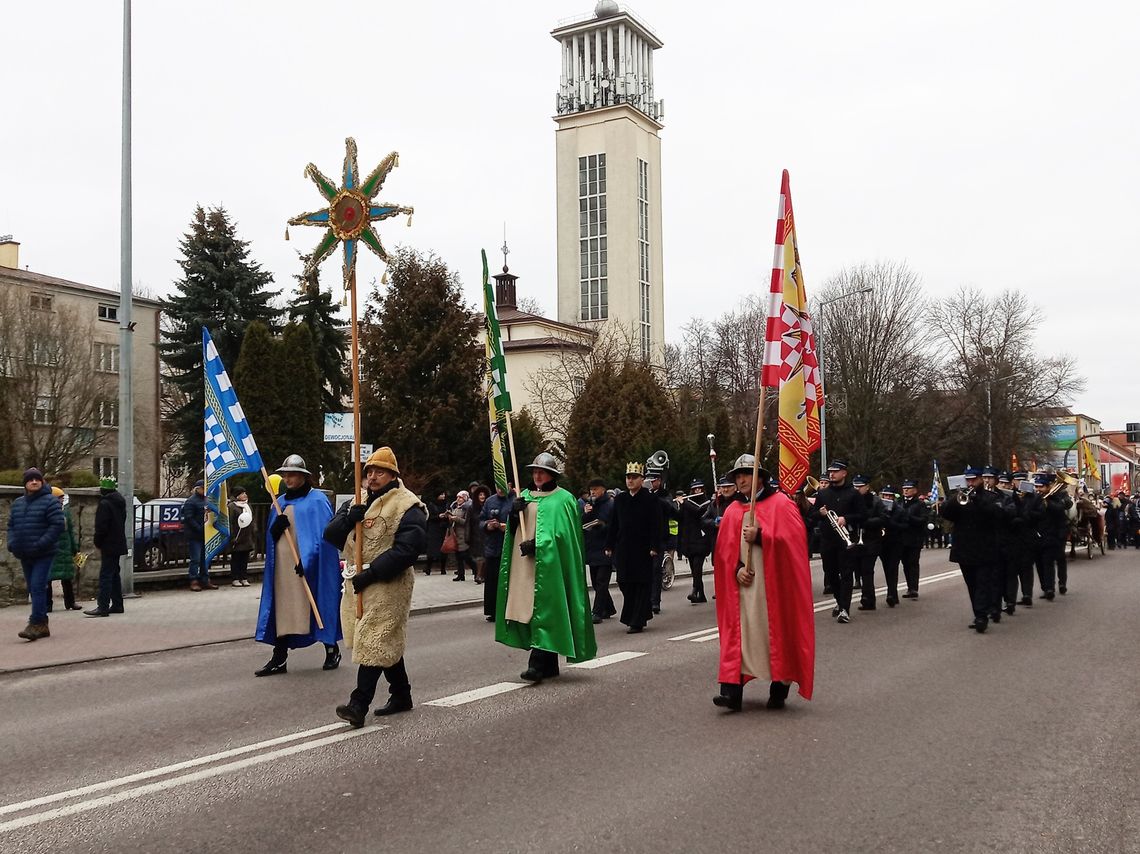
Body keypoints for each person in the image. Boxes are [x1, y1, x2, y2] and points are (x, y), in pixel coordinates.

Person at [326, 447, 427, 727]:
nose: (372, 477)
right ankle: (401, 694)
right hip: (359, 582)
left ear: (393, 475)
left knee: (374, 638)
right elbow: (331, 535)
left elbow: (409, 549)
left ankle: (358, 705)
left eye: (379, 472)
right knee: (383, 640)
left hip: (389, 583)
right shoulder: (358, 501)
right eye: (369, 471)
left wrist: (372, 575)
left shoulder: (408, 505)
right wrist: (349, 518)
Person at [712, 454, 814, 712]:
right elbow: (724, 554)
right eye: (738, 475)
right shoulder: (733, 510)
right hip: (744, 591)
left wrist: (762, 537)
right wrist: (736, 570)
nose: (741, 479)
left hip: (774, 589)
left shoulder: (782, 504)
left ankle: (779, 689)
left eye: (746, 474)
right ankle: (731, 693)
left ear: (761, 477)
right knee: (740, 636)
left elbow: (795, 545)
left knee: (777, 634)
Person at [497, 453, 597, 680]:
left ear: (551, 474)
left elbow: (565, 537)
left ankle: (538, 664)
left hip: (552, 567)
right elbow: (514, 532)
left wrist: (539, 545)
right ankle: (549, 664)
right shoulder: (524, 496)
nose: (537, 475)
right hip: (527, 568)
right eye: (534, 472)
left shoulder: (564, 500)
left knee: (547, 610)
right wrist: (513, 514)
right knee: (530, 610)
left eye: (541, 472)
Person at [254, 455, 343, 676]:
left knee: (318, 604)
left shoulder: (317, 501)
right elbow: (271, 538)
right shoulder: (280, 502)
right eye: (285, 474)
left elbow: (324, 536)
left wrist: (309, 560)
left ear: (303, 476)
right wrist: (275, 528)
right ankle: (279, 656)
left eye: (292, 474)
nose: (287, 478)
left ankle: (331, 648)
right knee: (283, 608)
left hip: (310, 565)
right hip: (283, 568)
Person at [941, 466, 1004, 633]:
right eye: (967, 480)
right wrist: (954, 499)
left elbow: (996, 514)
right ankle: (978, 613)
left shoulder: (990, 497)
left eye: (973, 480)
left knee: (983, 583)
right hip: (964, 548)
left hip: (985, 548)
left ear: (981, 480)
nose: (970, 483)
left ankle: (981, 616)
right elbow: (946, 514)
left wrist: (978, 500)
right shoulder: (960, 498)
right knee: (972, 585)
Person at [606, 462, 663, 633]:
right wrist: (609, 544)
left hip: (643, 548)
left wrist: (654, 545)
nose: (630, 480)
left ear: (642, 479)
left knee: (640, 583)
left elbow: (656, 524)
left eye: (633, 477)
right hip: (624, 548)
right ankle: (639, 613)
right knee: (624, 582)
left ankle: (636, 620)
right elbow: (613, 523)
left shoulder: (650, 499)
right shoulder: (621, 499)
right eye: (628, 477)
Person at [8, 468, 65, 640]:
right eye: (30, 479)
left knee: (38, 586)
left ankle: (36, 623)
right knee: (34, 588)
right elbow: (11, 525)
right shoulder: (18, 503)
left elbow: (57, 526)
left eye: (37, 479)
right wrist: (12, 543)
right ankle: (43, 623)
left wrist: (40, 544)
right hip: (24, 553)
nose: (34, 482)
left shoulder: (50, 501)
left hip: (43, 553)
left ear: (42, 482)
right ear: (25, 483)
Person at [812, 460, 860, 623]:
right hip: (828, 540)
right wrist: (820, 513)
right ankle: (840, 603)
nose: (831, 474)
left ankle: (845, 609)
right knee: (831, 573)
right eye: (830, 471)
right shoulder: (823, 494)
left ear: (844, 473)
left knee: (846, 574)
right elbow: (813, 515)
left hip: (846, 540)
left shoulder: (853, 493)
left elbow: (863, 515)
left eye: (835, 471)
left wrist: (846, 518)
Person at [86, 476, 128, 617]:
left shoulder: (104, 504)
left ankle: (102, 606)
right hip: (118, 542)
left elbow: (101, 527)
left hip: (108, 544)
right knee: (114, 574)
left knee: (105, 576)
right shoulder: (120, 502)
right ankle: (117, 604)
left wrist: (97, 542)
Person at [580, 478, 616, 624]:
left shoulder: (611, 505)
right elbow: (582, 524)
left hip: (605, 548)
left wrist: (604, 527)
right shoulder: (590, 505)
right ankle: (610, 607)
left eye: (595, 489)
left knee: (601, 582)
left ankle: (597, 612)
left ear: (603, 489)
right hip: (592, 547)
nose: (592, 492)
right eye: (591, 490)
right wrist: (585, 514)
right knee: (595, 582)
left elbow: (615, 526)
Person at [1033, 472, 1072, 600]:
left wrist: (1048, 503)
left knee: (1056, 559)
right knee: (1040, 563)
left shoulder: (1059, 495)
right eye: (1037, 487)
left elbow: (1063, 506)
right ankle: (1046, 588)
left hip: (1056, 533)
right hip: (1040, 534)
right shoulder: (1035, 498)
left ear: (1049, 486)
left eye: (1041, 487)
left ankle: (1059, 584)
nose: (1038, 490)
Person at [851, 475, 886, 610]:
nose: (857, 489)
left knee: (867, 570)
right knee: (856, 570)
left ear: (867, 486)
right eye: (855, 486)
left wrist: (867, 523)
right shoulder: (851, 501)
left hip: (871, 540)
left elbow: (883, 518)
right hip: (855, 539)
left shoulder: (876, 501)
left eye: (860, 486)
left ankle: (868, 599)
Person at [480, 481, 514, 622]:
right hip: (492, 548)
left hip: (509, 548)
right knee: (492, 581)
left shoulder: (515, 500)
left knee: (509, 582)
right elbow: (481, 520)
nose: (499, 489)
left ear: (510, 485)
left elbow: (522, 522)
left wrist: (507, 527)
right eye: (497, 486)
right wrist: (488, 526)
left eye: (503, 486)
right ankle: (493, 611)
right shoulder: (490, 501)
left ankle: (510, 610)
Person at [646, 468, 678, 615]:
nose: (650, 483)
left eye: (653, 480)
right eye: (648, 480)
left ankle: (655, 601)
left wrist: (656, 500)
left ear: (658, 481)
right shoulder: (642, 495)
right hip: (644, 538)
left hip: (659, 538)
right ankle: (646, 600)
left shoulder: (664, 496)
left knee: (655, 569)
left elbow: (673, 511)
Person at [46, 486, 82, 612]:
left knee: (67, 578)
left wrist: (74, 548)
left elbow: (70, 532)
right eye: (59, 498)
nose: (62, 500)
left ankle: (70, 602)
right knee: (48, 579)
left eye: (62, 498)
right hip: (52, 549)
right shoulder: (47, 512)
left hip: (65, 549)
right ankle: (47, 604)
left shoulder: (65, 512)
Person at [677, 478, 711, 604]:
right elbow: (680, 518)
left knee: (697, 567)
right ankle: (701, 594)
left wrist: (684, 503)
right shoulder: (687, 502)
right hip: (689, 540)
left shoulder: (706, 503)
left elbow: (698, 512)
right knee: (694, 569)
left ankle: (694, 590)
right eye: (695, 489)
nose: (697, 491)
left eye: (699, 488)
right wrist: (677, 506)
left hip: (701, 540)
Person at [896, 479, 930, 598]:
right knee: (905, 563)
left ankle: (914, 588)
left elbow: (923, 520)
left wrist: (909, 517)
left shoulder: (920, 504)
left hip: (915, 538)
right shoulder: (899, 502)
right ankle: (909, 587)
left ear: (915, 490)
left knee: (913, 563)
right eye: (904, 488)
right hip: (901, 538)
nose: (905, 490)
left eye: (908, 488)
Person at [183, 480, 213, 591]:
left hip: (206, 534)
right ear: (198, 489)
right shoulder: (191, 502)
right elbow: (189, 518)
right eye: (203, 488)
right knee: (195, 559)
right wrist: (199, 528)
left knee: (205, 559)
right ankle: (193, 580)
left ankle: (205, 579)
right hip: (195, 535)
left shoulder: (207, 500)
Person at [227, 485, 257, 587]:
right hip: (237, 535)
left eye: (245, 493)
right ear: (237, 495)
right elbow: (230, 522)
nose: (245, 495)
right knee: (236, 558)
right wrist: (232, 536)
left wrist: (254, 531)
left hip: (247, 536)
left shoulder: (247, 505)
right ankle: (235, 578)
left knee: (245, 558)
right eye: (242, 493)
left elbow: (252, 519)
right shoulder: (232, 506)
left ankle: (244, 577)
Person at [447, 490, 477, 582]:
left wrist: (456, 519)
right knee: (458, 556)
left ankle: (476, 571)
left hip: (464, 534)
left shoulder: (468, 508)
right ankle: (460, 574)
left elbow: (466, 522)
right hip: (456, 534)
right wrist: (449, 517)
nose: (458, 499)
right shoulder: (455, 507)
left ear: (465, 498)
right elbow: (452, 520)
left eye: (460, 497)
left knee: (465, 555)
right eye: (457, 497)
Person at [422, 490, 449, 575]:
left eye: (444, 494)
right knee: (431, 550)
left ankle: (443, 568)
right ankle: (428, 568)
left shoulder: (446, 504)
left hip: (443, 528)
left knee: (444, 549)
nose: (443, 496)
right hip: (433, 529)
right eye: (441, 494)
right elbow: (428, 517)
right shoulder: (431, 505)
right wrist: (438, 516)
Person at [469, 485, 490, 584]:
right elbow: (468, 523)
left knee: (484, 556)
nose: (482, 496)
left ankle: (480, 575)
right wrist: (467, 536)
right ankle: (479, 575)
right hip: (476, 535)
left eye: (484, 494)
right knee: (478, 557)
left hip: (487, 533)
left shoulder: (489, 506)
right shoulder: (472, 508)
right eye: (480, 494)